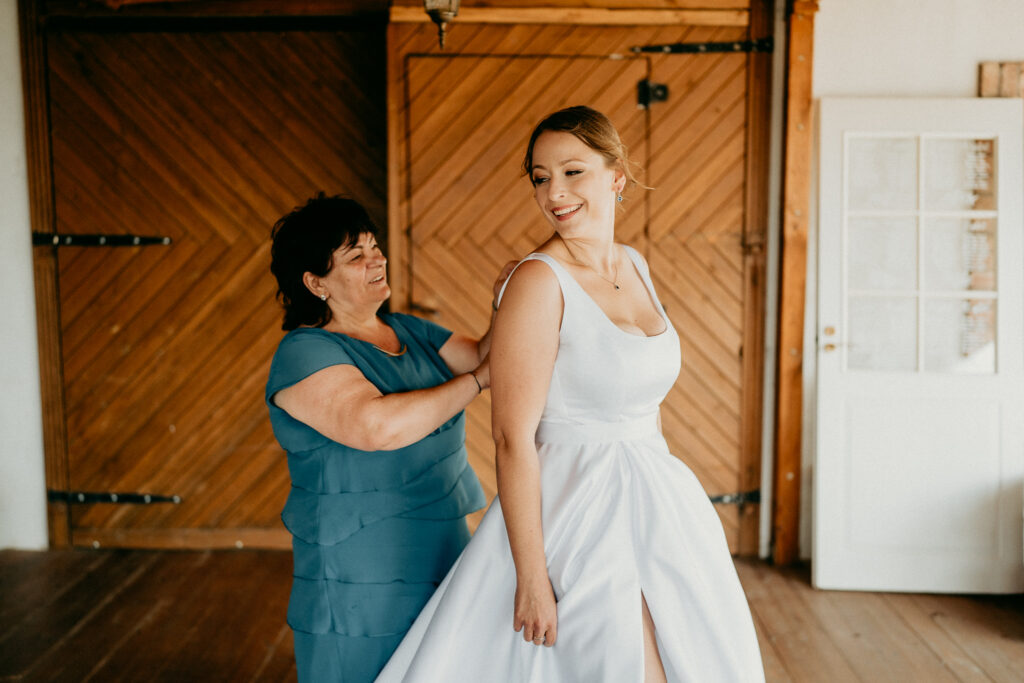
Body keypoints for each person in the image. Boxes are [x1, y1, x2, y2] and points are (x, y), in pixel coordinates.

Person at [376, 106, 765, 682]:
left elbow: (643, 405)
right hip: (574, 509)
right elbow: (511, 437)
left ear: (617, 177)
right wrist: (532, 578)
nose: (554, 192)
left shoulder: (635, 264)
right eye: (540, 177)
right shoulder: (537, 281)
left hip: (658, 499)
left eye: (572, 172)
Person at [265, 194, 513, 683]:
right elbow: (375, 427)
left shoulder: (407, 330)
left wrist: (506, 301)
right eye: (356, 255)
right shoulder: (303, 352)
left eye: (374, 247)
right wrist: (477, 382)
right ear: (316, 283)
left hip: (440, 541)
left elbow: (485, 355)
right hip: (362, 570)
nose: (376, 259)